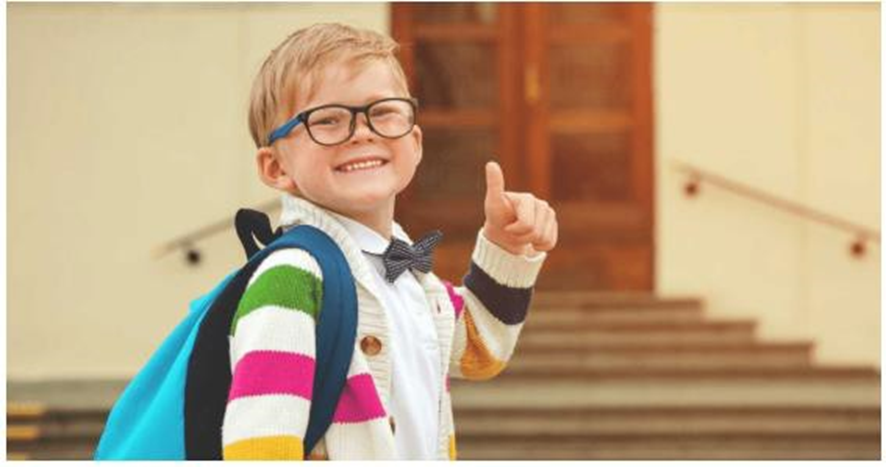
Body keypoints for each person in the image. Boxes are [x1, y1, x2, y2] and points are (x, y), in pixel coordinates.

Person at [224, 22, 558, 460]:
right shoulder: (292, 277)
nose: (362, 132)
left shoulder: (402, 269)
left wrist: (505, 247)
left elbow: (481, 351)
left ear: (414, 143)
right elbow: (259, 446)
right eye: (327, 120)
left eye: (382, 112)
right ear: (276, 168)